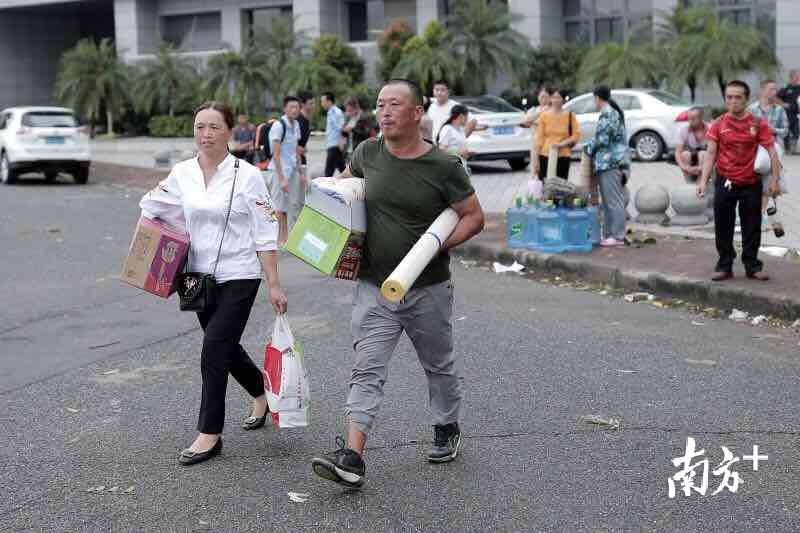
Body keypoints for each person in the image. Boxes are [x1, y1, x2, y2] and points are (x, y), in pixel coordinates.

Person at [310, 79, 485, 489]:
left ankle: (446, 425)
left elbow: (474, 216)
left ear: (417, 112)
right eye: (379, 104)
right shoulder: (368, 152)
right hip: (374, 287)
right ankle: (352, 455)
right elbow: (347, 186)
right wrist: (329, 198)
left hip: (428, 288)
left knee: (438, 365)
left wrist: (437, 247)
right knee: (366, 368)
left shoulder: (444, 166)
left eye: (394, 104)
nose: (384, 111)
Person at [138, 101, 288, 466]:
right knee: (224, 346)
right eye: (200, 126)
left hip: (240, 274)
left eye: (214, 127)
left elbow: (265, 231)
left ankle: (210, 433)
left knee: (213, 350)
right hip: (196, 276)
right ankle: (262, 393)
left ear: (229, 131)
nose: (206, 134)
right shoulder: (182, 172)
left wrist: (274, 283)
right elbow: (152, 205)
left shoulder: (247, 175)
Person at [697, 80, 781, 282]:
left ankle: (752, 265)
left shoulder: (758, 124)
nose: (733, 101)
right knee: (722, 226)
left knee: (751, 226)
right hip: (725, 181)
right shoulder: (718, 124)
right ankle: (725, 265)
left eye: (738, 97)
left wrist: (775, 182)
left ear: (746, 99)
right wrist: (702, 181)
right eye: (729, 97)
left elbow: (772, 153)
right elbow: (710, 154)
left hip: (751, 183)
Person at [584, 85, 629, 247]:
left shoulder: (608, 113)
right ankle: (611, 235)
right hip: (609, 163)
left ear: (597, 97)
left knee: (613, 201)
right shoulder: (611, 112)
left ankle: (618, 236)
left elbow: (603, 139)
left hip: (610, 163)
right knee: (610, 201)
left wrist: (588, 147)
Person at [749, 79, 789, 223]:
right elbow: (746, 129)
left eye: (775, 89)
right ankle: (753, 211)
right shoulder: (752, 109)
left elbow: (785, 131)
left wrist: (772, 130)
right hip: (756, 148)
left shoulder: (779, 110)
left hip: (773, 148)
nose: (775, 92)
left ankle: (762, 212)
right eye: (771, 89)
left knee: (768, 179)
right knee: (754, 177)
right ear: (763, 90)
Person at [267, 96, 303, 245]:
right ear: (285, 109)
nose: (294, 110)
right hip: (279, 171)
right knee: (278, 207)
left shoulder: (296, 125)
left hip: (292, 170)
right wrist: (281, 179)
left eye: (297, 107)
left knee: (290, 206)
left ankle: (285, 239)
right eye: (291, 107)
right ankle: (274, 239)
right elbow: (276, 155)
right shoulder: (279, 126)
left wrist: (301, 173)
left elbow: (296, 151)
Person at [533, 87, 580, 181]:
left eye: (558, 97)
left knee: (561, 186)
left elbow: (576, 135)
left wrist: (561, 144)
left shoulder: (570, 116)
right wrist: (536, 160)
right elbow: (539, 139)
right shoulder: (544, 116)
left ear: (563, 99)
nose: (555, 100)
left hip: (563, 156)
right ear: (550, 99)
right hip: (545, 155)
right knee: (546, 185)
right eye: (553, 97)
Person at [675, 107, 709, 183]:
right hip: (689, 159)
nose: (690, 121)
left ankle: (701, 181)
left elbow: (715, 151)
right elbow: (677, 152)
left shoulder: (710, 129)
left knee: (703, 154)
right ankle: (689, 182)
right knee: (685, 154)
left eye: (693, 119)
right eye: (689, 118)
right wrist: (684, 167)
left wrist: (703, 167)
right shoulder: (683, 130)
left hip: (706, 160)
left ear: (701, 118)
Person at [321, 92, 346, 177]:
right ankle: (352, 184)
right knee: (342, 169)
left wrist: (341, 141)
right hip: (333, 145)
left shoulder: (335, 112)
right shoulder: (331, 112)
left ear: (329, 101)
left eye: (323, 101)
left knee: (328, 172)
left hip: (334, 145)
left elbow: (341, 127)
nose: (322, 104)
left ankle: (325, 189)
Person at [778, 70, 800, 154]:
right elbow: (777, 98)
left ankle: (793, 149)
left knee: (796, 131)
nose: (798, 78)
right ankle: (787, 149)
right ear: (791, 78)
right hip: (786, 114)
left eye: (799, 77)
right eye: (796, 77)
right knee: (786, 131)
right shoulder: (785, 88)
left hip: (796, 114)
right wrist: (783, 104)